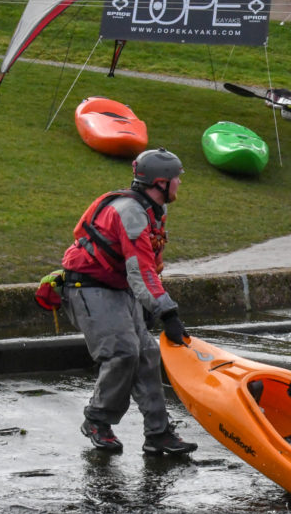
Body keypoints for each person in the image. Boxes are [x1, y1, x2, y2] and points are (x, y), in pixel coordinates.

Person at [62, 148, 197, 455]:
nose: (179, 184)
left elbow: (148, 267)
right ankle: (97, 420)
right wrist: (167, 313)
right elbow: (141, 269)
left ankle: (158, 433)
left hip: (118, 287)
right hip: (88, 287)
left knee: (147, 354)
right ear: (161, 182)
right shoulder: (132, 212)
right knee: (123, 353)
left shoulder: (152, 209)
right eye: (177, 179)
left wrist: (150, 306)